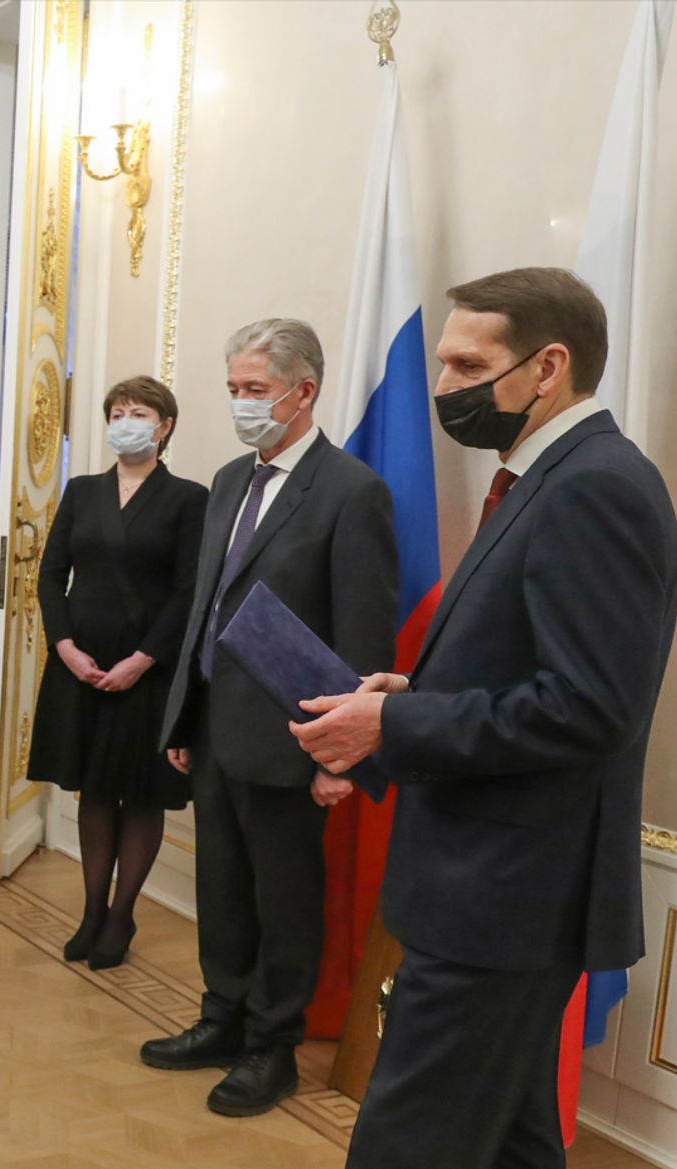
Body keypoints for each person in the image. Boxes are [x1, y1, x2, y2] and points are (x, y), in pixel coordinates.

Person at [290, 268, 677, 1169]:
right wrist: (406, 696)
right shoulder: (548, 476)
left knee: (407, 1145)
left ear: (548, 367)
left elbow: (590, 707)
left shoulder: (596, 486)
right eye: (443, 363)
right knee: (510, 1141)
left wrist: (394, 729)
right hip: (492, 887)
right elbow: (523, 665)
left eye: (468, 365)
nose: (443, 386)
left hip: (507, 896)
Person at [147, 318, 397, 1117]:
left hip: (293, 739)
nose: (241, 403)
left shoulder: (352, 491)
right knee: (220, 886)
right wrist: (184, 717)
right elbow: (206, 608)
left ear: (303, 391)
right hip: (215, 727)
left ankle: (271, 1045)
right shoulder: (228, 479)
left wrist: (339, 756)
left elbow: (362, 634)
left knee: (283, 898)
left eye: (255, 389)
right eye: (233, 389)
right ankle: (221, 1018)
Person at [28, 376, 206, 971]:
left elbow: (190, 591)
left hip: (148, 669)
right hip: (81, 666)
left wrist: (143, 659)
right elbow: (51, 575)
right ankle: (91, 911)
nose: (126, 422)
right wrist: (64, 646)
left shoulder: (188, 498)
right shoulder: (82, 491)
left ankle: (122, 914)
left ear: (164, 426)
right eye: (118, 413)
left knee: (142, 792)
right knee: (96, 789)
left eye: (140, 413)